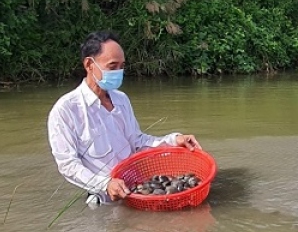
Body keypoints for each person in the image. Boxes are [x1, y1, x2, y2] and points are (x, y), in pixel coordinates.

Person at [48, 31, 202, 206]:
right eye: (112, 66)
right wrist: (105, 184)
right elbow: (67, 165)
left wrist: (174, 140)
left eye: (122, 66)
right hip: (103, 202)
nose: (118, 72)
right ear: (89, 65)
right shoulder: (66, 110)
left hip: (137, 191)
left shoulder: (121, 99)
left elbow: (137, 141)